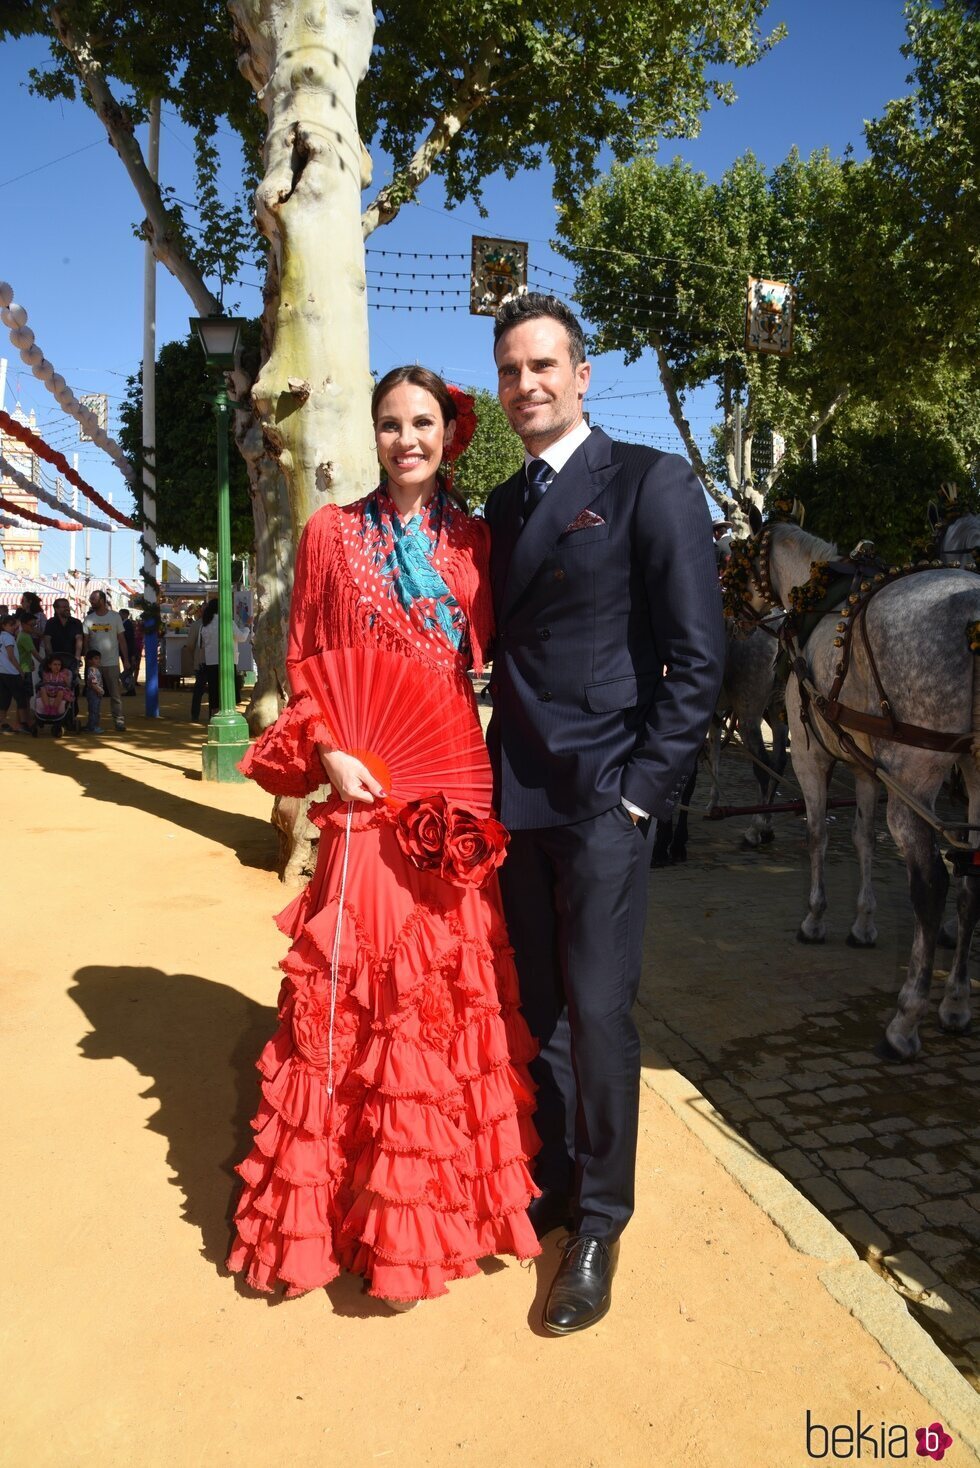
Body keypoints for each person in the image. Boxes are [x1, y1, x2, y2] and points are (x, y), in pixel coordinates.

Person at [227, 365, 540, 1306]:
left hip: (445, 789)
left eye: (423, 423)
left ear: (450, 433)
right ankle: (326, 1216)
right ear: (373, 436)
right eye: (390, 424)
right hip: (362, 784)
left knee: (445, 991)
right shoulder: (330, 535)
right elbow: (302, 659)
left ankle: (436, 1218)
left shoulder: (478, 543)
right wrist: (327, 753)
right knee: (354, 983)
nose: (407, 439)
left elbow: (502, 663)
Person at [483, 294, 726, 1335]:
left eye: (542, 365)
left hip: (599, 801)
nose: (525, 384)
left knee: (598, 1013)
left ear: (582, 376)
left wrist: (638, 794)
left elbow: (697, 659)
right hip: (512, 797)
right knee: (535, 1009)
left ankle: (599, 1220)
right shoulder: (497, 504)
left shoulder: (647, 481)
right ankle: (547, 1185)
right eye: (508, 371)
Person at [82, 589, 130, 732]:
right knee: (93, 696)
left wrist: (125, 659)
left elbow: (122, 640)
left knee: (115, 695)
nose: (91, 602)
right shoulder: (88, 619)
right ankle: (93, 723)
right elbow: (86, 641)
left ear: (102, 600)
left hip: (112, 663)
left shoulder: (115, 617)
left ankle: (119, 721)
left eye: (93, 599)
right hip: (93, 666)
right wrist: (86, 661)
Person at [197, 597, 248, 720]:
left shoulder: (204, 625)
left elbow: (202, 644)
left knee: (214, 691)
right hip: (228, 660)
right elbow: (241, 637)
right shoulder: (227, 622)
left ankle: (214, 716)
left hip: (211, 661)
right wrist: (246, 627)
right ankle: (229, 715)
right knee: (229, 690)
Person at [0, 610, 32, 735]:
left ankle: (2, 722)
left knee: (4, 699)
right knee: (21, 698)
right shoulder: (8, 637)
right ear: (4, 626)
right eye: (11, 625)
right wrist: (20, 670)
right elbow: (11, 656)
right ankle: (21, 723)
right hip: (11, 672)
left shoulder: (1, 636)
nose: (14, 627)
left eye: (14, 625)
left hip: (2, 672)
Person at [34, 654, 74, 737]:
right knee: (42, 689)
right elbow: (45, 683)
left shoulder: (63, 674)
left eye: (59, 665)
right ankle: (47, 707)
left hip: (60, 690)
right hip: (49, 690)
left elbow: (68, 685)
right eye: (55, 665)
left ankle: (54, 709)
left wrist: (66, 681)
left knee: (60, 691)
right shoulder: (47, 674)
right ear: (49, 666)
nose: (57, 667)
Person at [43, 597, 84, 672]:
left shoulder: (76, 622)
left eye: (67, 606)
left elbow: (79, 640)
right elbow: (47, 641)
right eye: (64, 607)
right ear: (57, 609)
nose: (67, 609)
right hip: (56, 659)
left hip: (71, 658)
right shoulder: (50, 622)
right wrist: (52, 658)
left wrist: (77, 659)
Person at [83, 650, 105, 733]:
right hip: (93, 693)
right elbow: (93, 684)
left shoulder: (96, 669)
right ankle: (92, 727)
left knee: (95, 710)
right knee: (94, 711)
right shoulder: (92, 670)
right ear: (89, 660)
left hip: (96, 693)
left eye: (99, 659)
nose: (98, 661)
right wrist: (100, 690)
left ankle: (91, 725)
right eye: (96, 659)